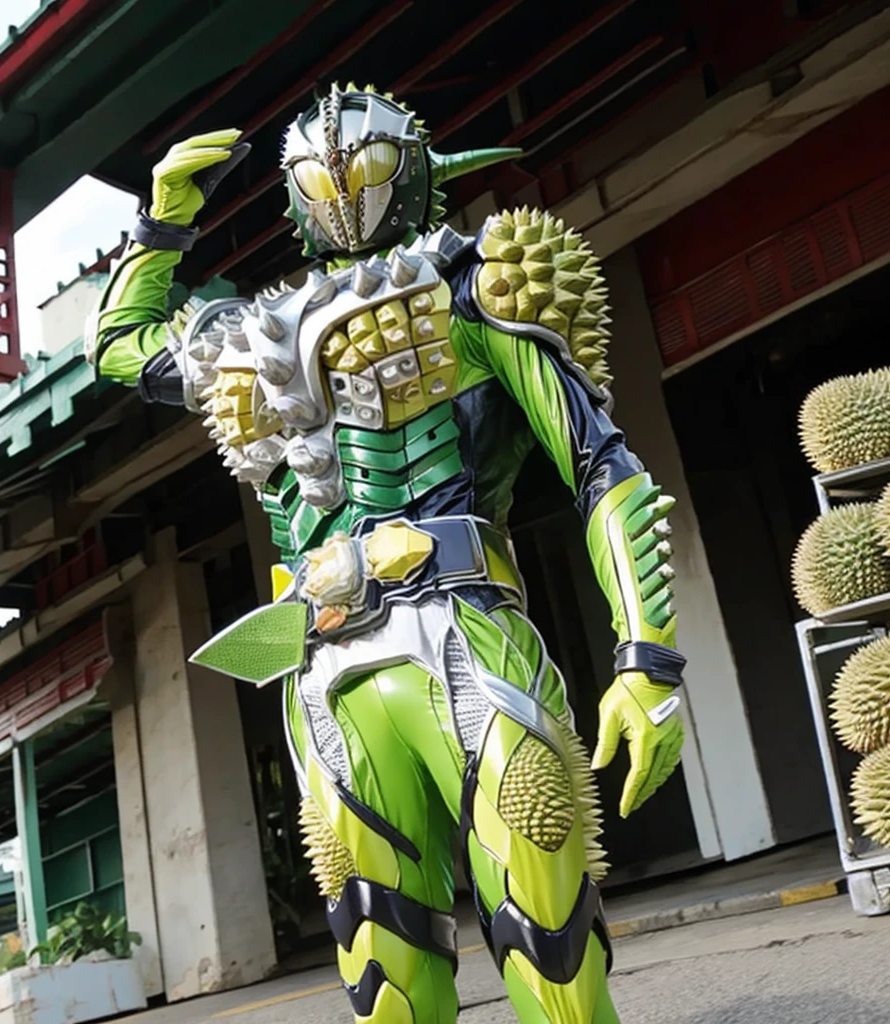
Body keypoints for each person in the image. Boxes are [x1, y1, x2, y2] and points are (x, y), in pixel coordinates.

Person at [87, 83, 686, 1024]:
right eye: (320, 176)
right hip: (323, 657)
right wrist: (161, 227)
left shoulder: (477, 285)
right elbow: (119, 350)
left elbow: (601, 465)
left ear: (410, 172)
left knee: (550, 944)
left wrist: (647, 656)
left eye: (363, 169)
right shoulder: (252, 334)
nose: (342, 190)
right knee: (385, 971)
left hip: (464, 627)